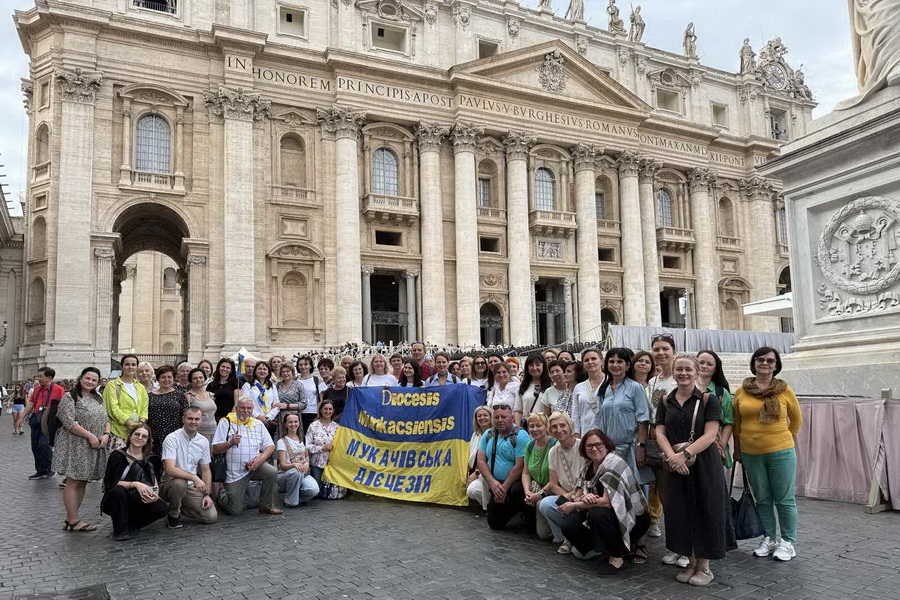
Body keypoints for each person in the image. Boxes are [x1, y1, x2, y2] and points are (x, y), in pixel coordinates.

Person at [654, 355, 727, 586]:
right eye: (679, 370)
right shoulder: (666, 400)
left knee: (705, 512)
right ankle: (691, 561)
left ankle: (704, 566)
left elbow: (710, 434)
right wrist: (672, 457)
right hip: (676, 465)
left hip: (704, 465)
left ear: (696, 372)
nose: (683, 373)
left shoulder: (708, 399)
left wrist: (683, 455)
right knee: (681, 513)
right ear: (673, 373)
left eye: (688, 369)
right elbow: (659, 432)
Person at [734, 347, 802, 562]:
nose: (765, 363)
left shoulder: (784, 391)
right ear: (753, 363)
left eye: (770, 360)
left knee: (784, 500)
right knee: (762, 499)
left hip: (781, 452)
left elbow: (797, 419)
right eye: (760, 359)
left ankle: (788, 542)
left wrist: (781, 439)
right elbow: (737, 423)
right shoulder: (741, 391)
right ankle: (769, 538)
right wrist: (737, 450)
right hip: (751, 454)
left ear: (776, 365)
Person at [559, 429, 651, 577]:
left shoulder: (614, 464)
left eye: (598, 444)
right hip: (606, 513)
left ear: (607, 445)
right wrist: (582, 498)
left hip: (633, 520)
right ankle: (601, 549)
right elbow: (578, 492)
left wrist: (575, 505)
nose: (594, 449)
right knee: (569, 525)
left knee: (597, 514)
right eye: (589, 446)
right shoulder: (588, 465)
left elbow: (607, 503)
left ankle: (616, 558)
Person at [52, 367, 110, 532]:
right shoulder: (69, 397)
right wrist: (90, 436)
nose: (90, 382)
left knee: (83, 480)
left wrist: (105, 434)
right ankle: (72, 520)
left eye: (94, 380)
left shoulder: (98, 397)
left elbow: (106, 418)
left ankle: (73, 517)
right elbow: (69, 421)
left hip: (94, 444)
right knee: (74, 480)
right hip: (75, 444)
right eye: (87, 378)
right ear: (80, 378)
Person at [212, 396, 283, 516]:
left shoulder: (258, 424)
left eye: (248, 408)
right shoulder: (226, 422)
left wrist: (259, 460)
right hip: (234, 473)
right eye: (242, 408)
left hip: (254, 467)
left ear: (252, 409)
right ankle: (222, 495)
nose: (246, 411)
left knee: (271, 471)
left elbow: (270, 447)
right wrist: (230, 443)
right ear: (236, 408)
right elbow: (216, 449)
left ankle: (266, 506)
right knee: (235, 511)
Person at [593, 348, 653, 486]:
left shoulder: (635, 387)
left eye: (619, 361)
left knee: (634, 489)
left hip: (631, 447)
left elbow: (643, 420)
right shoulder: (604, 389)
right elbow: (599, 420)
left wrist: (641, 446)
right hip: (610, 449)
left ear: (627, 365)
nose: (615, 365)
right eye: (611, 361)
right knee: (613, 489)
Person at [100, 423, 168, 541]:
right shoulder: (117, 456)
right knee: (118, 491)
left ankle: (131, 524)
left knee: (162, 508)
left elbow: (155, 481)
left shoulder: (151, 459)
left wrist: (154, 495)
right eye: (137, 434)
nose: (140, 438)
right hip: (117, 497)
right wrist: (135, 484)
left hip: (138, 498)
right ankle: (120, 530)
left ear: (147, 440)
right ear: (130, 437)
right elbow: (110, 483)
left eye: (144, 436)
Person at [476, 403, 532, 531]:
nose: (500, 420)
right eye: (496, 417)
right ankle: (509, 510)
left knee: (517, 491)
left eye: (504, 417)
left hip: (513, 483)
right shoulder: (488, 434)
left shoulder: (521, 435)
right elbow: (481, 460)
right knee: (494, 524)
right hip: (496, 483)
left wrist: (504, 487)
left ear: (512, 418)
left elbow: (520, 465)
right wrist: (493, 483)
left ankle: (522, 513)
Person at [160, 406, 218, 528]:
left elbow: (206, 470)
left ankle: (178, 505)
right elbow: (170, 469)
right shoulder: (171, 438)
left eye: (197, 419)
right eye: (190, 418)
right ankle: (173, 514)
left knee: (211, 517)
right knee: (180, 483)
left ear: (201, 421)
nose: (193, 422)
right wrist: (194, 477)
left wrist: (207, 494)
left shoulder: (203, 441)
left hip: (191, 487)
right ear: (183, 419)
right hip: (170, 484)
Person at [538, 411, 585, 554]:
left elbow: (588, 478)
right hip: (566, 494)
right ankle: (564, 536)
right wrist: (567, 498)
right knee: (545, 504)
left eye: (562, 425)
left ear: (570, 426)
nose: (559, 430)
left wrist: (574, 498)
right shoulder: (553, 451)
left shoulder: (582, 446)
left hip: (583, 493)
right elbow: (553, 484)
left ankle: (573, 538)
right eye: (554, 427)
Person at [648, 334, 677, 545]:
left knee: (675, 493)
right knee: (660, 489)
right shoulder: (653, 381)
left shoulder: (681, 376)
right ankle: (658, 524)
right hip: (655, 440)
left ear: (673, 351)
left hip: (676, 441)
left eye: (665, 349)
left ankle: (680, 542)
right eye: (656, 349)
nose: (660, 353)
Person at [21, 367, 65, 479]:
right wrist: (22, 417)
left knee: (44, 444)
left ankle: (50, 467)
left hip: (49, 422)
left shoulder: (59, 389)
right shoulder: (37, 389)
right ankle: (41, 470)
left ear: (49, 377)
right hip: (36, 420)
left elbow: (64, 406)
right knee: (35, 446)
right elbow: (31, 403)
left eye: (41, 376)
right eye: (38, 376)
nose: (38, 378)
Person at [696, 350, 734, 473]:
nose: (704, 366)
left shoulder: (722, 393)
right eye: (701, 362)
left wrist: (722, 443)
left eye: (709, 364)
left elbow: (728, 421)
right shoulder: (684, 388)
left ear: (715, 369)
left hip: (713, 446)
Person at [521, 413, 557, 540]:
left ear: (546, 426)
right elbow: (526, 472)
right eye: (531, 426)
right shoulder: (530, 446)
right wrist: (527, 491)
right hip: (537, 489)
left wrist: (539, 494)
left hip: (553, 490)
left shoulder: (554, 445)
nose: (535, 429)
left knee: (544, 534)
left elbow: (556, 478)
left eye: (539, 425)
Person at [103, 355, 149, 451]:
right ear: (122, 366)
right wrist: (130, 423)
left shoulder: (141, 387)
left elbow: (144, 408)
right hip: (118, 432)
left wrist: (140, 424)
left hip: (137, 434)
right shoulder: (112, 385)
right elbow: (112, 408)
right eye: (127, 364)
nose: (130, 367)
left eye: (133, 364)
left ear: (137, 367)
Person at [276, 413, 320, 507]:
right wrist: (294, 465)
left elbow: (307, 456)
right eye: (290, 422)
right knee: (296, 472)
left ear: (299, 423)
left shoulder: (304, 439)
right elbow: (283, 464)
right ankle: (290, 502)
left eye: (296, 421)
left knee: (314, 490)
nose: (293, 424)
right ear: (285, 424)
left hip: (303, 473)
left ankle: (294, 497)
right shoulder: (281, 442)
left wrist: (307, 462)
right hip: (286, 474)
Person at [306, 400, 346, 499]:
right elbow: (307, 446)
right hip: (317, 463)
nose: (327, 411)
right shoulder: (313, 426)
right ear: (321, 410)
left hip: (332, 464)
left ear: (333, 411)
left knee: (331, 492)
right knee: (316, 491)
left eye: (330, 409)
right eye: (325, 409)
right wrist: (322, 448)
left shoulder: (337, 427)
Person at [147, 366, 188, 458]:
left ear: (173, 378)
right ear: (158, 379)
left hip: (175, 435)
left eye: (169, 377)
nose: (166, 380)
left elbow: (185, 416)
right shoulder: (149, 396)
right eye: (163, 377)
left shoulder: (180, 395)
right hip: (154, 436)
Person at [572, 347, 604, 436]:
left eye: (594, 359)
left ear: (602, 361)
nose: (590, 362)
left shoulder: (610, 382)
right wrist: (577, 435)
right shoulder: (578, 387)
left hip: (607, 433)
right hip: (586, 434)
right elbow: (575, 415)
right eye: (586, 360)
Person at [466, 406, 493, 510]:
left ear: (491, 417)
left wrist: (476, 474)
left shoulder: (494, 434)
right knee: (472, 490)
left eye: (485, 415)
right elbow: (471, 457)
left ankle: (491, 510)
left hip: (489, 473)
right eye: (479, 416)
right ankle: (490, 507)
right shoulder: (475, 435)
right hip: (477, 474)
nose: (482, 418)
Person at [184, 368, 218, 444]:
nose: (198, 380)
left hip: (214, 431)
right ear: (191, 381)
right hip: (198, 433)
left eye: (200, 377)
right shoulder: (188, 396)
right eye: (195, 378)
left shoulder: (211, 395)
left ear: (204, 379)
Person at [517, 355, 550, 424]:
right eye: (531, 365)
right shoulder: (522, 386)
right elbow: (518, 411)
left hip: (545, 426)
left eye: (538, 365)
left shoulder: (551, 385)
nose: (534, 368)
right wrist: (518, 429)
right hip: (528, 426)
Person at [297, 355, 326, 432]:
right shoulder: (295, 380)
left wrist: (319, 415)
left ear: (310, 366)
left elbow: (321, 399)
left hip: (313, 413)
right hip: (297, 413)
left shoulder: (317, 380)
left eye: (306, 364)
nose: (303, 367)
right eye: (301, 365)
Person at [208, 358, 241, 422]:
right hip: (213, 418)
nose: (225, 369)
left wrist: (230, 418)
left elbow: (237, 403)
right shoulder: (211, 385)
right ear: (219, 367)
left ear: (231, 370)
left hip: (229, 418)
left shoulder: (236, 384)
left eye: (228, 368)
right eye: (223, 366)